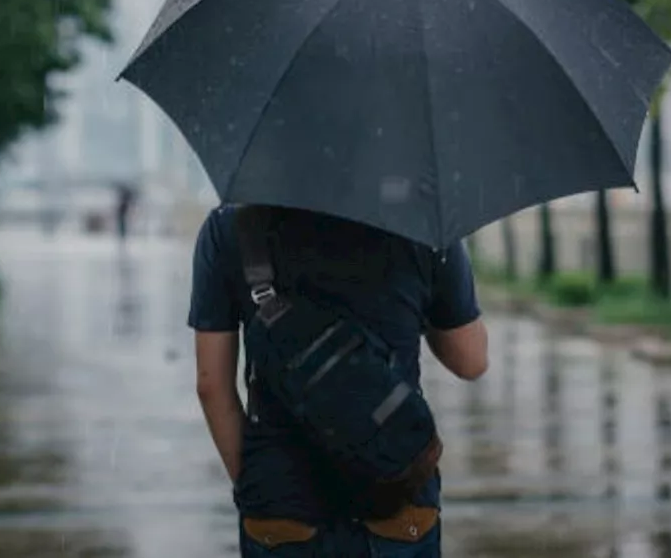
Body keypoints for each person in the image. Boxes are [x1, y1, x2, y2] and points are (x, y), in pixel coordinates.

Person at [189, 204, 488, 557]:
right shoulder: (423, 223)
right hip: (394, 492)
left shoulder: (231, 224)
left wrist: (257, 484)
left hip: (281, 504)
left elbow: (212, 387)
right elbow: (470, 361)